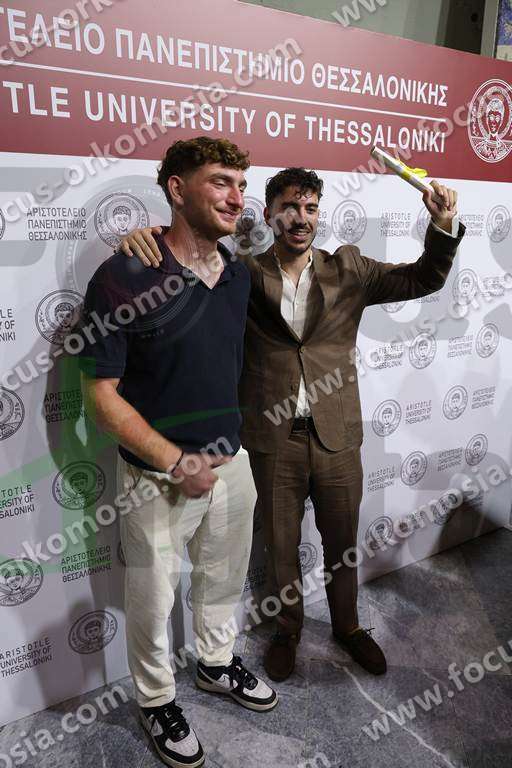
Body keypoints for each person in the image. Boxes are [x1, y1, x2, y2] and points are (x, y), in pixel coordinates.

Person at [121, 160, 465, 684]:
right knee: (281, 546)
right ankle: (288, 630)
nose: (300, 217)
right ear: (269, 215)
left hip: (337, 439)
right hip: (272, 439)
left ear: (318, 214)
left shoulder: (350, 269)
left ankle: (348, 626)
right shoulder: (240, 273)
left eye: (310, 208)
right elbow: (185, 266)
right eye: (289, 208)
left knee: (342, 542)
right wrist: (142, 240)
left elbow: (423, 277)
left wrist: (441, 226)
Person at [79, 137, 277, 768]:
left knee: (223, 580)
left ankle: (215, 664)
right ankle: (157, 699)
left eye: (241, 185)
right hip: (156, 477)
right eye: (220, 181)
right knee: (152, 598)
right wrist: (173, 460)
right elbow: (100, 398)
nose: (236, 198)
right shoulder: (124, 274)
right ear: (176, 188)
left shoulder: (239, 273)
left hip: (232, 463)